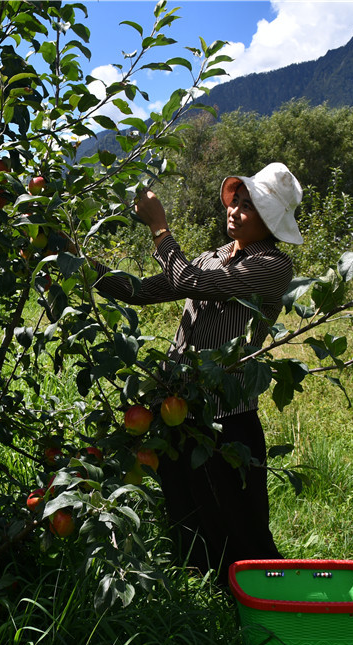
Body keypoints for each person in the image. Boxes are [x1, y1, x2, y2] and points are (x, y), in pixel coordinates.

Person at [92, 162, 303, 579]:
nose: (236, 210)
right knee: (186, 512)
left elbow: (189, 281)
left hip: (227, 415)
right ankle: (203, 594)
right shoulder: (213, 258)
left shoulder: (273, 267)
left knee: (240, 525)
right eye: (236, 201)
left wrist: (159, 228)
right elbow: (140, 291)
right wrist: (78, 265)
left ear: (271, 222)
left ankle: (265, 599)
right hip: (177, 406)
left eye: (250, 207)